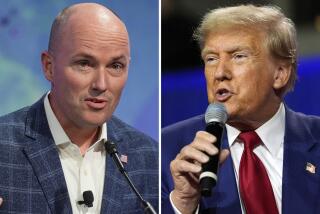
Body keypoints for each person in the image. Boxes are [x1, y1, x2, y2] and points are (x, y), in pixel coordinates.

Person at [0, 3, 158, 213]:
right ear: (49, 67)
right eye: (84, 63)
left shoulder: (149, 157)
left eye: (115, 66)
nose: (101, 84)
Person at [162, 4, 320, 214]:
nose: (219, 73)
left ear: (280, 74)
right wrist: (183, 203)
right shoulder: (168, 151)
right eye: (211, 59)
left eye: (238, 56)